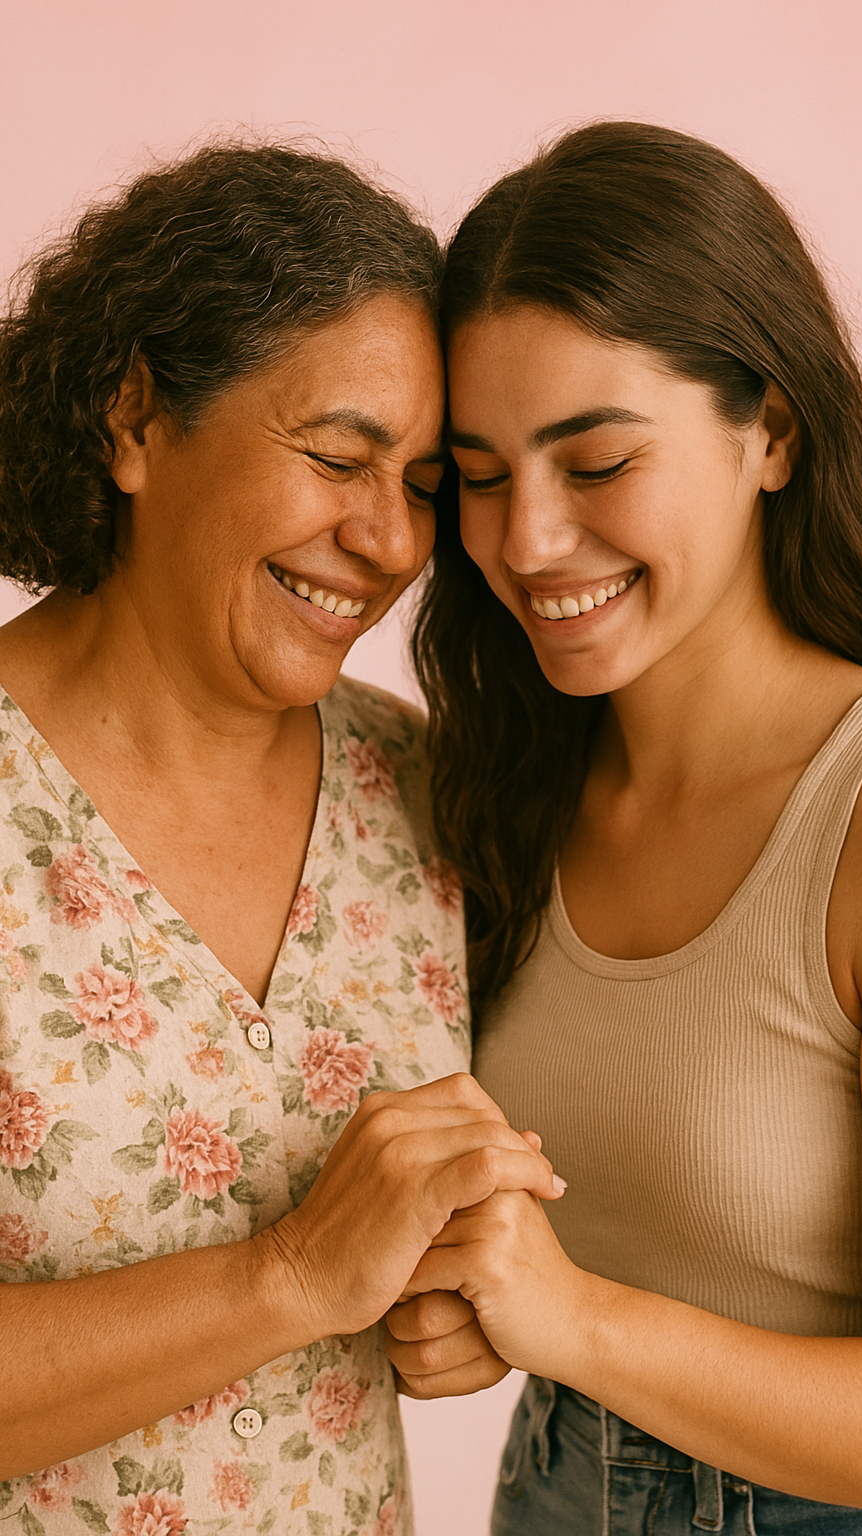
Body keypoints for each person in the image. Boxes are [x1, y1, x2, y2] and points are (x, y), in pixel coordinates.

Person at [0, 142, 562, 1534]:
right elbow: (315, 1268)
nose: (387, 539)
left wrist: (482, 1300)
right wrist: (295, 1276)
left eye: (426, 482)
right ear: (135, 420)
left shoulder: (428, 793)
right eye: (336, 458)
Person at [385, 121, 862, 1531]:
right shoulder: (492, 792)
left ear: (770, 431)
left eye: (594, 464)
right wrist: (474, 1312)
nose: (526, 540)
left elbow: (582, 1308)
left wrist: (577, 1319)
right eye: (478, 474)